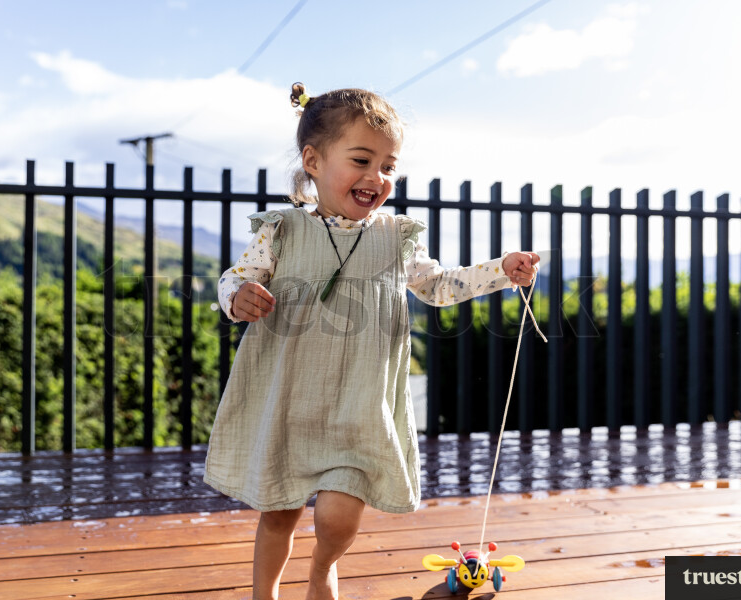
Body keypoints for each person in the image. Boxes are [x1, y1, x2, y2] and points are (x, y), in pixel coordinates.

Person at [204, 82, 539, 600]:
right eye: (361, 160)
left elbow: (440, 286)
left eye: (388, 166)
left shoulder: (395, 237)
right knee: (279, 515)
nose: (376, 177)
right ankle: (263, 594)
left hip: (359, 405)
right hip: (289, 400)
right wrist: (237, 295)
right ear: (313, 161)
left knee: (339, 517)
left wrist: (501, 270)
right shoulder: (283, 230)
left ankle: (321, 570)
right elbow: (234, 277)